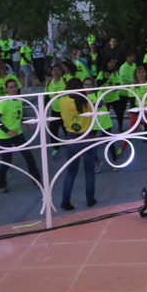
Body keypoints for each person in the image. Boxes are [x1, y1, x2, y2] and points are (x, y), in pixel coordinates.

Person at [0, 78, 42, 192]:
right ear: (6, 89)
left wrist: (22, 121)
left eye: (15, 86)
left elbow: (16, 114)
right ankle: (0, 184)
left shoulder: (18, 99)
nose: (13, 89)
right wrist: (7, 131)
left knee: (29, 157)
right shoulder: (4, 102)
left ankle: (37, 181)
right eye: (10, 87)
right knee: (6, 161)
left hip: (17, 133)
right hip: (3, 136)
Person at [58, 78, 98, 210]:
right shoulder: (88, 102)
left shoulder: (62, 101)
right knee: (89, 171)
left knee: (71, 172)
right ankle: (90, 199)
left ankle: (65, 201)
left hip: (71, 138)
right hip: (87, 137)